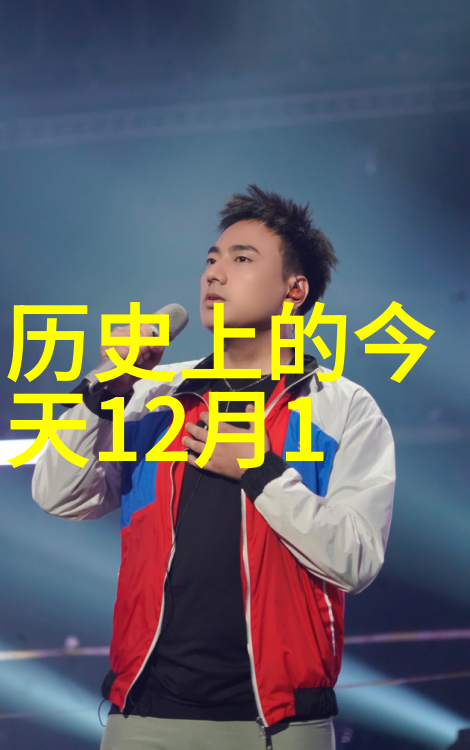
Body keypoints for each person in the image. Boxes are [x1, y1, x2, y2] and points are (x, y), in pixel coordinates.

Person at [32, 184, 396, 750]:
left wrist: (261, 473)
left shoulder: (342, 407)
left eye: (242, 259)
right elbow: (57, 494)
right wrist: (101, 392)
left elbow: (358, 558)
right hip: (142, 719)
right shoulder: (153, 396)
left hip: (280, 726)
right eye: (210, 260)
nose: (214, 275)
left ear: (294, 290)